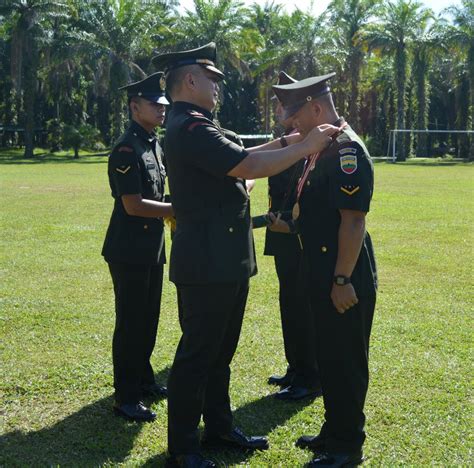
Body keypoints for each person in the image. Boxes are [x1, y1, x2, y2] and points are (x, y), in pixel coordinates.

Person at [152, 42, 339, 468]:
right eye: (212, 79)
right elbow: (245, 167)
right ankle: (182, 449)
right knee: (198, 355)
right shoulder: (189, 127)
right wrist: (305, 146)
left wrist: (288, 139)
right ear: (191, 80)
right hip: (207, 262)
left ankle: (218, 428)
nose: (218, 87)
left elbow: (241, 157)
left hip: (222, 259)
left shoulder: (197, 125)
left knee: (219, 354)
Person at [270, 74, 377, 466]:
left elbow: (353, 221)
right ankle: (333, 432)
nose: (289, 123)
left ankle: (347, 447)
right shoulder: (321, 146)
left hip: (342, 273)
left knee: (346, 360)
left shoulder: (346, 150)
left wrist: (342, 279)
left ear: (316, 107)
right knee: (329, 356)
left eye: (294, 115)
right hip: (321, 268)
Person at [101, 72, 173, 422]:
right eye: (155, 104)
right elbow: (133, 204)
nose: (162, 109)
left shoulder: (152, 143)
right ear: (134, 107)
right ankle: (125, 397)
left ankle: (143, 379)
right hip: (129, 248)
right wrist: (178, 211)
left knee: (148, 318)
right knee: (131, 321)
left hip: (151, 245)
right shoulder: (127, 148)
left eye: (163, 104)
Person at [265, 71, 321, 401]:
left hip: (295, 230)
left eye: (283, 105)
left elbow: (308, 195)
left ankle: (310, 376)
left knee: (304, 304)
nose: (278, 111)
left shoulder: (307, 139)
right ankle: (295, 366)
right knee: (289, 301)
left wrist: (292, 225)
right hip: (280, 228)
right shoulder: (285, 136)